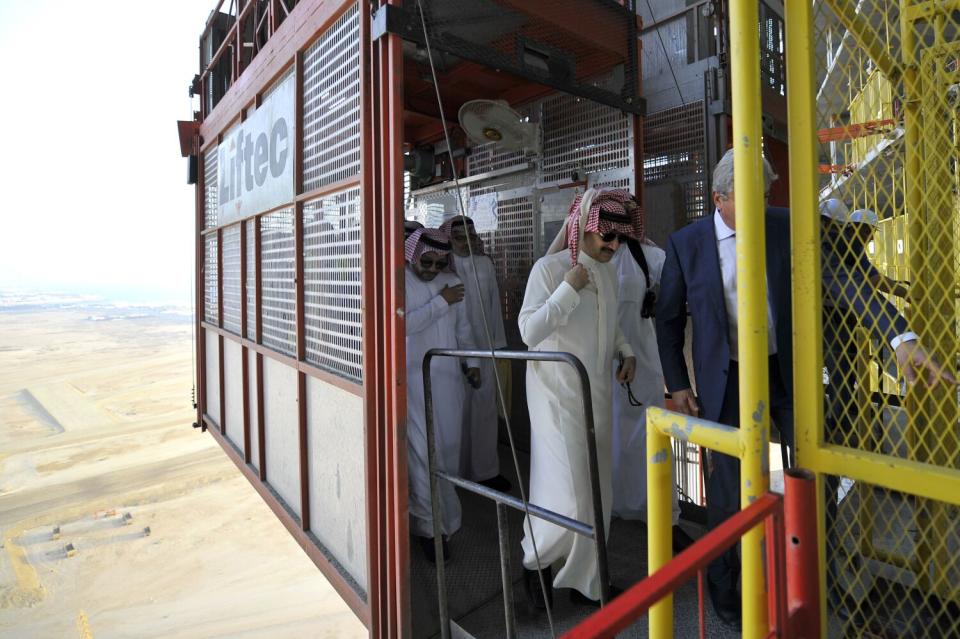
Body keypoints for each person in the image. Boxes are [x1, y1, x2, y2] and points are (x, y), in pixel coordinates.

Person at [655, 148, 795, 629]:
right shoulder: (687, 244)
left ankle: (814, 571)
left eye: (765, 193)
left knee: (813, 470)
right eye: (748, 198)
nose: (760, 206)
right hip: (728, 376)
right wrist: (676, 384)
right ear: (718, 198)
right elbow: (668, 319)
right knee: (727, 487)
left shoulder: (783, 224)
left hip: (785, 370)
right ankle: (725, 584)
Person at [518, 188, 638, 607]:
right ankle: (534, 566)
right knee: (564, 491)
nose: (614, 245)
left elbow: (613, 323)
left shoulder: (606, 272)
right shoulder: (549, 270)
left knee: (596, 491)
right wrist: (568, 289)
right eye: (607, 236)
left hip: (598, 396)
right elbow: (528, 333)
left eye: (620, 239)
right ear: (582, 228)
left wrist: (626, 351)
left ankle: (588, 582)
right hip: (555, 397)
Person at [609, 199, 694, 552]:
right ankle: (608, 510)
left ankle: (664, 519)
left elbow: (676, 305)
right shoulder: (586, 259)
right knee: (606, 443)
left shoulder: (651, 258)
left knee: (649, 443)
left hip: (642, 367)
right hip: (601, 370)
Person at [404, 228, 480, 563]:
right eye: (427, 260)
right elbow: (400, 325)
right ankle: (429, 530)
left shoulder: (450, 281)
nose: (432, 268)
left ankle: (447, 523)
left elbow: (462, 329)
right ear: (412, 252)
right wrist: (440, 302)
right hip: (414, 384)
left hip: (449, 384)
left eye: (439, 262)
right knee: (423, 456)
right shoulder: (399, 283)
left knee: (446, 454)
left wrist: (472, 362)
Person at [439, 216, 512, 492]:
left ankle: (485, 471)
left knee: (484, 408)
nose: (466, 243)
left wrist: (497, 346)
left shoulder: (484, 263)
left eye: (470, 237)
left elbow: (494, 305)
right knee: (456, 411)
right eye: (459, 238)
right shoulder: (444, 268)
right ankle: (454, 473)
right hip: (452, 349)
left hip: (484, 347)